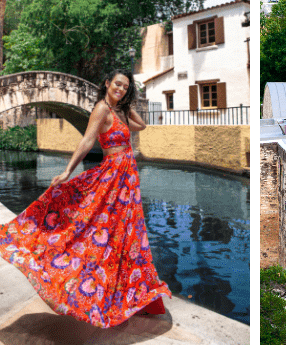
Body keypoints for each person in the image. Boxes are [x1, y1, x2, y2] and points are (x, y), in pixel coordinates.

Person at [0, 69, 171, 328]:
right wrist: (68, 170)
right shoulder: (101, 109)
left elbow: (142, 125)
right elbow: (87, 141)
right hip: (113, 178)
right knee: (93, 231)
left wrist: (127, 104)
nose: (120, 89)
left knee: (127, 237)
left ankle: (129, 295)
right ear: (106, 83)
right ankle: (94, 292)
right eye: (117, 84)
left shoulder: (119, 111)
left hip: (128, 182)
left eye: (125, 87)